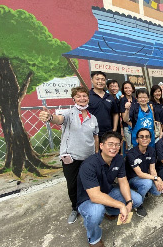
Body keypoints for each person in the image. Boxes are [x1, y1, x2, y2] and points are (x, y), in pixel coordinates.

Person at [38, 86, 99, 224]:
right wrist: (49, 117)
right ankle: (74, 208)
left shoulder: (93, 118)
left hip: (88, 157)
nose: (82, 98)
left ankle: (86, 204)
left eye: (84, 96)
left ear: (88, 98)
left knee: (86, 182)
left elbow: (95, 137)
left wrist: (96, 153)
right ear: (74, 99)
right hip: (71, 157)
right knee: (72, 185)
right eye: (78, 96)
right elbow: (58, 119)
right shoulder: (67, 113)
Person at [77, 131, 143, 247]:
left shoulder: (118, 159)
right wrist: (121, 205)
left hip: (108, 191)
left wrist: (128, 202)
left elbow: (123, 182)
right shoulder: (89, 165)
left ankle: (109, 210)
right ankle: (94, 239)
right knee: (96, 211)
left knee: (136, 200)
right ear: (101, 145)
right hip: (88, 198)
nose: (114, 148)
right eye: (110, 144)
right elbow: (95, 196)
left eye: (117, 145)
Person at [125, 128, 163, 217]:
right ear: (137, 140)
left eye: (147, 137)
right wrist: (156, 178)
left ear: (150, 139)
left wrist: (157, 181)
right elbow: (139, 174)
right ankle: (138, 204)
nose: (144, 139)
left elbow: (152, 169)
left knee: (158, 192)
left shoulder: (151, 150)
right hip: (132, 179)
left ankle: (142, 191)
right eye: (141, 137)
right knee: (147, 183)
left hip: (145, 177)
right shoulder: (130, 154)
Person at [87, 71, 119, 137]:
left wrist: (114, 129)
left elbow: (115, 113)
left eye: (103, 79)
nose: (100, 81)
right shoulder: (87, 96)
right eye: (97, 79)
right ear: (92, 80)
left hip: (108, 133)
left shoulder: (110, 97)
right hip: (91, 133)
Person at [120, 81, 137, 150]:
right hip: (128, 127)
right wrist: (133, 125)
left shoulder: (135, 100)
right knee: (130, 147)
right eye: (125, 88)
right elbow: (124, 118)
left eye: (129, 88)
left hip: (136, 127)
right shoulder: (122, 100)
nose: (127, 90)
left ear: (132, 89)